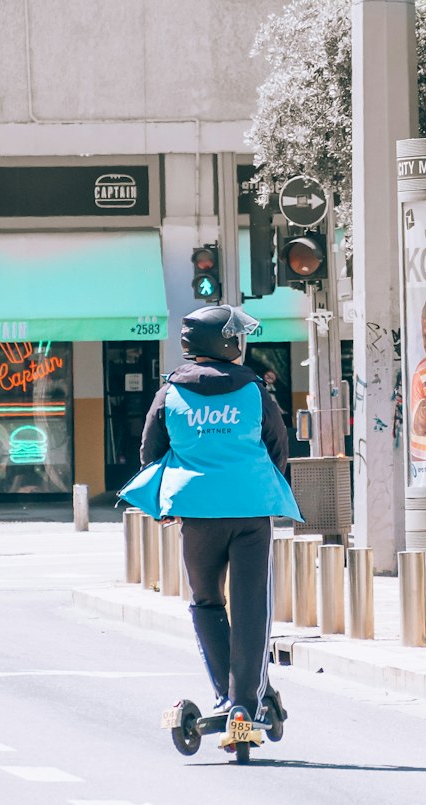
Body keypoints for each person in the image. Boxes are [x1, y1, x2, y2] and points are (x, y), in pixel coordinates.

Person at [120, 305, 302, 749]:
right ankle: (246, 701)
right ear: (227, 343)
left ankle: (226, 696)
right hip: (250, 515)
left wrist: (172, 497)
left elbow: (150, 452)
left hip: (197, 516)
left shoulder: (169, 392)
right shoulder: (255, 390)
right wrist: (254, 482)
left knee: (205, 603)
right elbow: (279, 445)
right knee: (250, 606)